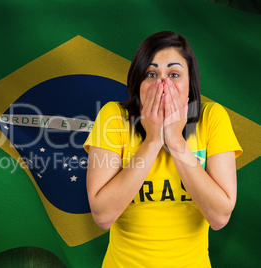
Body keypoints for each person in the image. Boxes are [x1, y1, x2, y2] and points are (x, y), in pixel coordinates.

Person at [83, 31, 242, 267]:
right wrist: (153, 140)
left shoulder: (212, 119)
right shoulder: (114, 117)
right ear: (138, 83)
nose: (163, 84)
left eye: (174, 74)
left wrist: (176, 141)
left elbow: (219, 217)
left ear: (190, 84)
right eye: (151, 74)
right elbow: (103, 216)